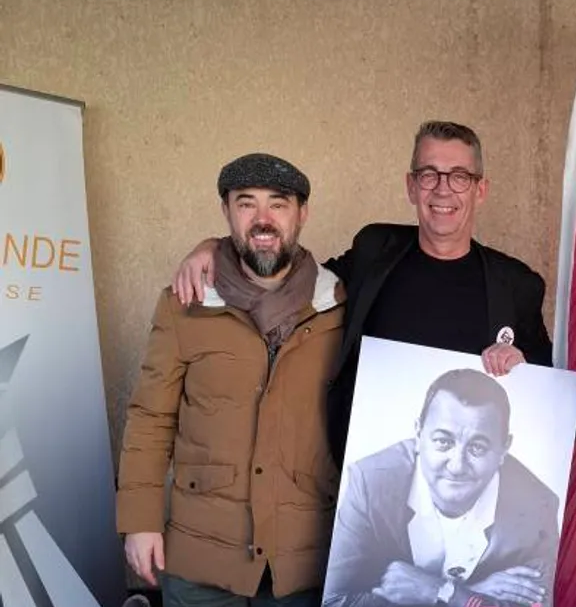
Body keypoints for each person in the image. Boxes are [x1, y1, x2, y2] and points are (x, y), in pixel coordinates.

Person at [172, 122, 552, 465]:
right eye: (428, 175)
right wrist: (216, 248)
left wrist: (524, 370)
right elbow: (293, 275)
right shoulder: (374, 251)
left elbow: (548, 404)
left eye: (459, 176)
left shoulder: (517, 286)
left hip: (462, 492)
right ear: (410, 185)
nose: (442, 189)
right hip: (364, 486)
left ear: (480, 189)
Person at [117, 153, 344, 607]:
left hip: (302, 551)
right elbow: (151, 417)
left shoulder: (339, 305)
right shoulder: (186, 304)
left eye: (277, 205)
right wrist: (140, 518)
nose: (263, 219)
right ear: (226, 213)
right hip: (202, 547)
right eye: (247, 204)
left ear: (301, 214)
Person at [315, 367, 559, 607]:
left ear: (504, 449)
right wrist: (475, 597)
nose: (457, 465)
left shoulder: (536, 505)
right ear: (418, 434)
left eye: (478, 447)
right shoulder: (371, 482)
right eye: (443, 441)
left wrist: (444, 592)